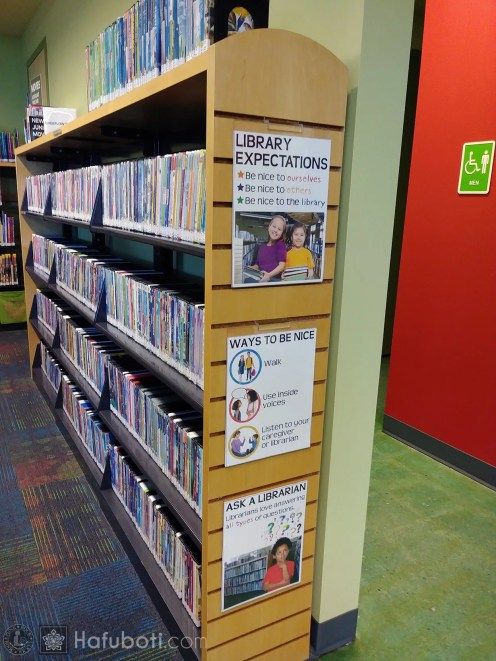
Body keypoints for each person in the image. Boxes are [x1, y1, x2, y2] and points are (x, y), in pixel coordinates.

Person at [250, 214, 287, 282]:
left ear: (282, 233)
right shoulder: (261, 246)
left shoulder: (280, 245)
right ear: (269, 226)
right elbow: (257, 265)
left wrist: (269, 275)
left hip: (273, 280)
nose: (275, 230)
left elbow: (282, 265)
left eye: (279, 229)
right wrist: (250, 268)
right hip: (261, 278)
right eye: (274, 226)